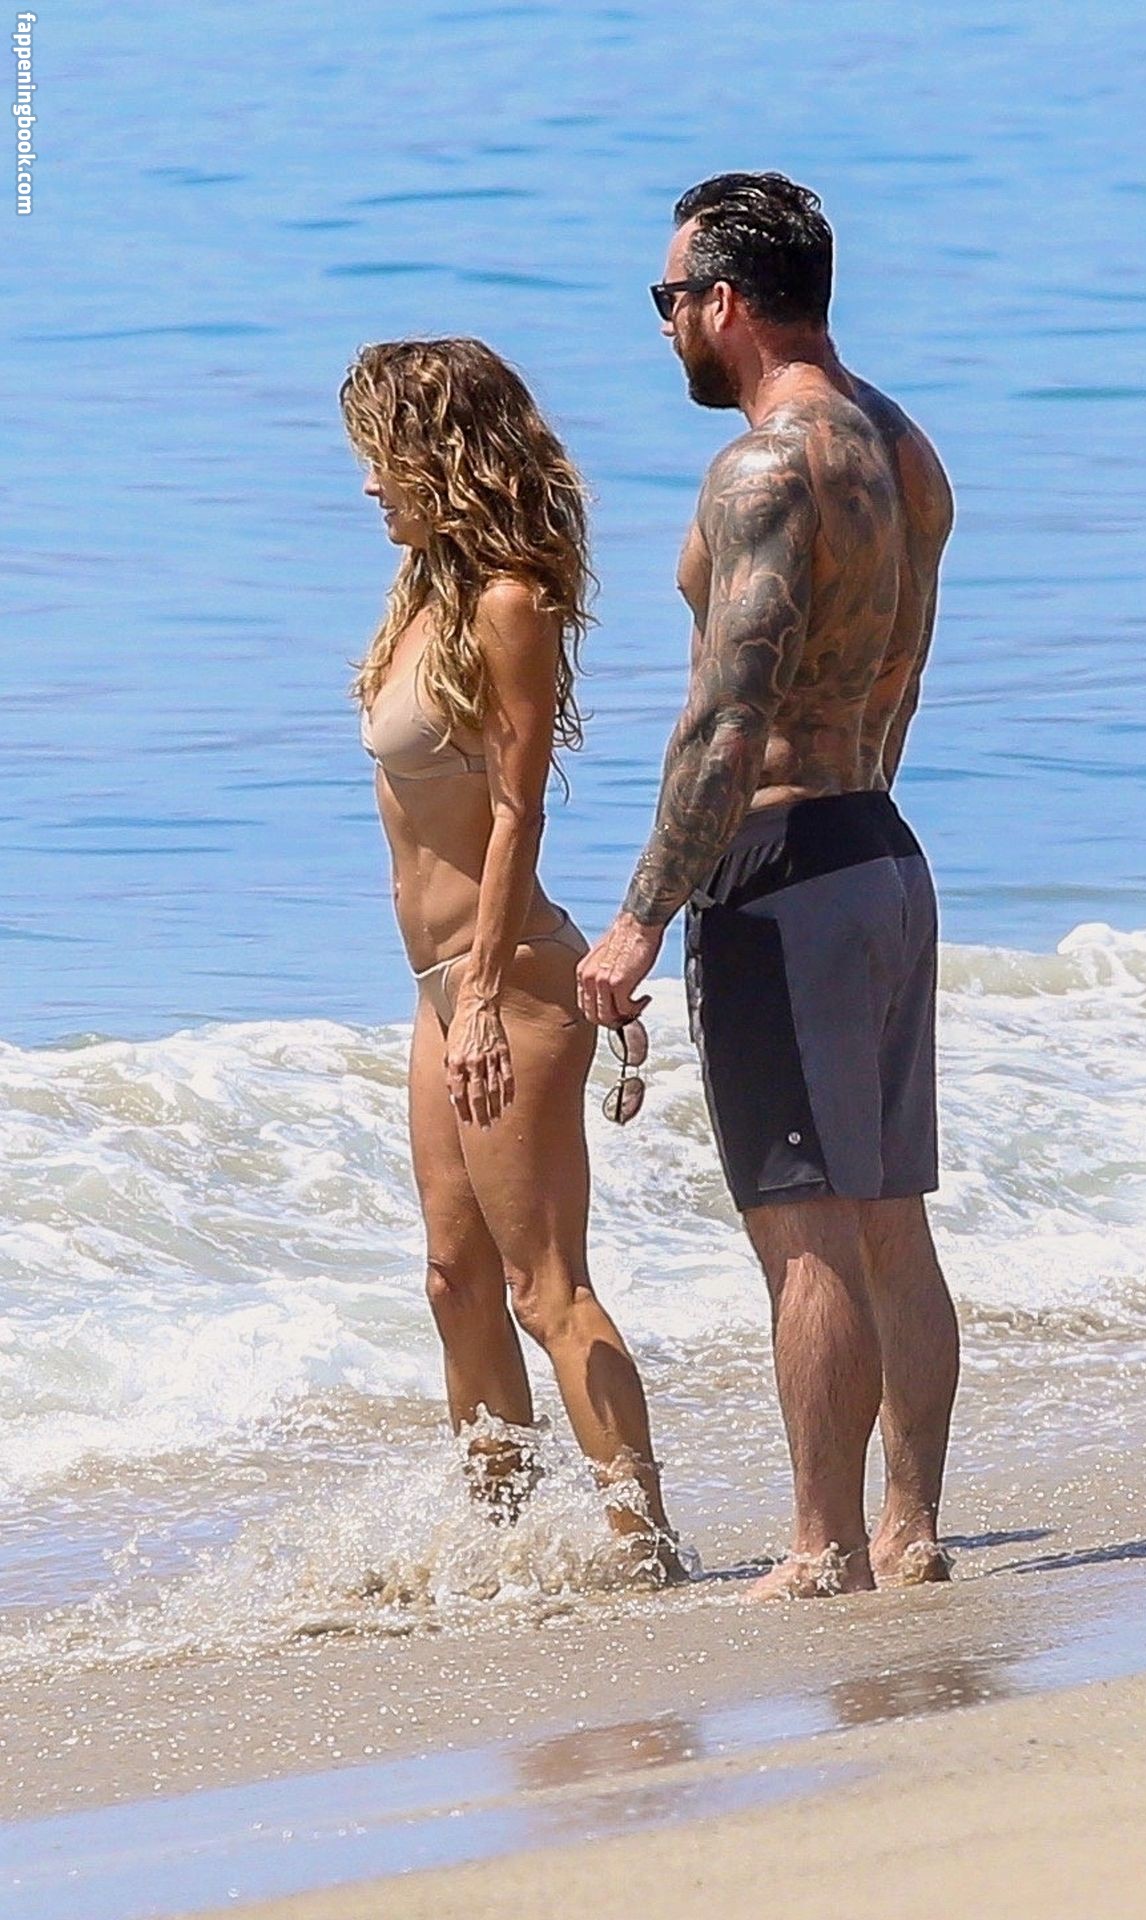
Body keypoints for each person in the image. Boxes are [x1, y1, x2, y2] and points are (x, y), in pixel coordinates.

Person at [577, 174, 959, 1598]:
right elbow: (898, 676)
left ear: (725, 303)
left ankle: (819, 1546)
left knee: (803, 1230)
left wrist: (639, 918)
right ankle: (908, 1529)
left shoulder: (763, 469)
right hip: (880, 848)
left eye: (669, 298)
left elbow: (726, 719)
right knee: (889, 1214)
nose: (665, 325)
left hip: (786, 870)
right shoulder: (902, 450)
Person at [340, 337, 677, 1576]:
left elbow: (515, 811)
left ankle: (644, 1549)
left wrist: (481, 993)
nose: (368, 484)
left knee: (543, 1285)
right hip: (437, 986)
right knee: (451, 1278)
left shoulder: (508, 604)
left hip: (509, 977)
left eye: (382, 456)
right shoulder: (421, 596)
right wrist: (450, 997)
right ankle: (502, 1550)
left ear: (441, 455)